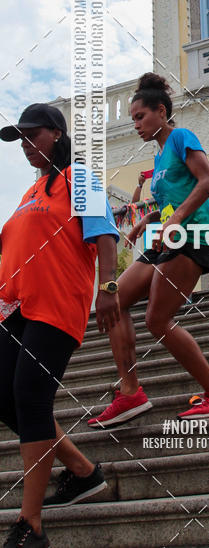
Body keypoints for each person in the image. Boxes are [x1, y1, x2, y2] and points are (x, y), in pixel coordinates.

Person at [87, 72, 209, 428]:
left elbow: (207, 182)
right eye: (133, 119)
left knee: (156, 320)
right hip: (167, 238)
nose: (136, 125)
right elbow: (174, 199)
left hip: (194, 239)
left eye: (140, 117)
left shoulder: (181, 137)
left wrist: (175, 221)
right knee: (116, 300)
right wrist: (151, 218)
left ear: (161, 111)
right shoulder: (158, 159)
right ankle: (130, 393)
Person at [0, 104, 121, 548]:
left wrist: (108, 286)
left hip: (56, 308)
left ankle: (30, 525)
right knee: (6, 399)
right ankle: (84, 473)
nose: (27, 146)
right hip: (14, 309)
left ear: (56, 134)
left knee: (31, 396)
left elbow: (104, 233)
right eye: (20, 139)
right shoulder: (31, 193)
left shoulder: (80, 178)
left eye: (33, 135)